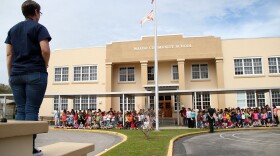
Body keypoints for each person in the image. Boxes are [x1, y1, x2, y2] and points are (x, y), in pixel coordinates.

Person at [5, 1, 51, 155]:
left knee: (21, 110)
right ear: (36, 11)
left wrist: (10, 73)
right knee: (31, 109)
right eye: (40, 13)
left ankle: (18, 147)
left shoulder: (12, 30)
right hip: (35, 73)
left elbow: (9, 54)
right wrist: (45, 66)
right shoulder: (39, 28)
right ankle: (29, 148)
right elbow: (45, 49)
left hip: (16, 74)